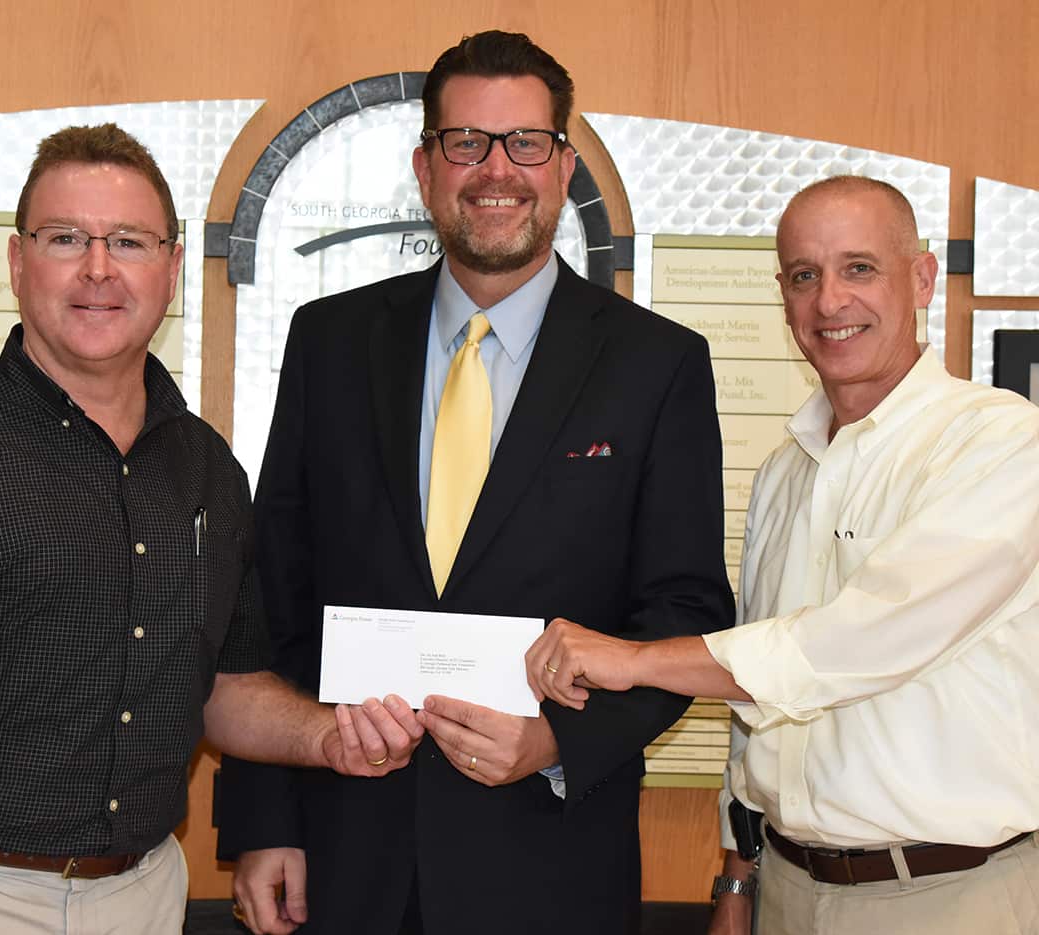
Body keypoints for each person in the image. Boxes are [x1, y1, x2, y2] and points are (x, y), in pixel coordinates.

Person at [216, 29, 734, 935]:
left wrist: (554, 744)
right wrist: (264, 821)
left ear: (564, 163)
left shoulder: (658, 365)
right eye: (466, 142)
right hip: (345, 858)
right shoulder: (330, 343)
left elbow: (682, 614)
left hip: (550, 865)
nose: (497, 169)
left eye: (526, 142)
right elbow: (271, 604)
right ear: (426, 167)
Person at [0, 123, 415, 934]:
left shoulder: (210, 469)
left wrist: (332, 737)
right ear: (16, 262)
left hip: (140, 897)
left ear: (173, 268)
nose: (98, 268)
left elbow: (227, 689)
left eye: (130, 241)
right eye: (66, 237)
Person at [526, 175, 1039, 935]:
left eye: (859, 267)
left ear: (923, 278)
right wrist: (737, 876)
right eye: (805, 276)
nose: (830, 301)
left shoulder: (1000, 443)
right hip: (786, 893)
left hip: (949, 896)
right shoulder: (785, 469)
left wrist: (632, 659)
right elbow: (753, 698)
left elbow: (855, 643)